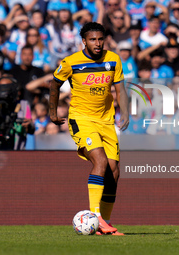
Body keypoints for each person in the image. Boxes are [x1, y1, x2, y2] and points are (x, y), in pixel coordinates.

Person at [49, 22, 129, 235]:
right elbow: (54, 83)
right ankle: (96, 216)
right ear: (84, 41)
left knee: (114, 171)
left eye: (100, 39)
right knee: (100, 161)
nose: (97, 43)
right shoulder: (71, 62)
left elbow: (120, 88)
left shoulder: (113, 59)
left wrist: (126, 113)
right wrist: (52, 112)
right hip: (82, 119)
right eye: (93, 39)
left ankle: (106, 223)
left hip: (106, 121)